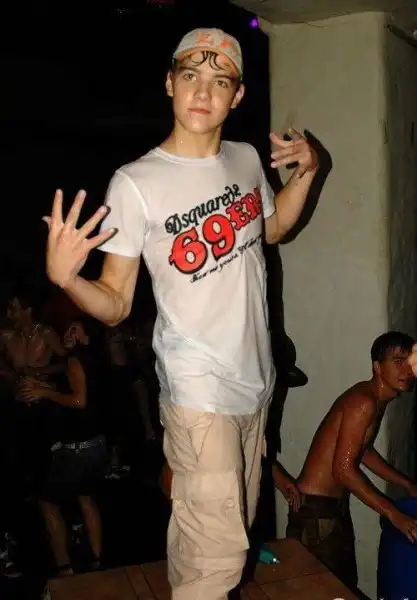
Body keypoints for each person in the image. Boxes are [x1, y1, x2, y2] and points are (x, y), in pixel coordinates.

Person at [42, 28, 319, 599]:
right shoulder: (136, 183)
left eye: (220, 81)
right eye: (190, 75)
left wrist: (308, 173)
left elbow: (272, 228)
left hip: (255, 382)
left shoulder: (245, 159)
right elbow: (116, 304)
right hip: (199, 388)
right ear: (170, 83)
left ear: (237, 96)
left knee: (224, 537)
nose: (203, 92)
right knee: (215, 560)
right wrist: (68, 279)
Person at [280, 331, 417, 591]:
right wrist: (394, 514)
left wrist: (406, 485)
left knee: (341, 587)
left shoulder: (376, 399)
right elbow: (342, 469)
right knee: (323, 592)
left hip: (330, 508)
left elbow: (361, 451)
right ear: (377, 366)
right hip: (315, 512)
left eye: (409, 362)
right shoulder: (364, 402)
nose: (406, 370)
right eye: (397, 361)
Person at [21, 320, 106, 577]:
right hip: (96, 444)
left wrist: (44, 394)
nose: (67, 333)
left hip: (77, 448)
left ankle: (64, 568)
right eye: (67, 328)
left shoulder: (75, 360)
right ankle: (98, 562)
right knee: (86, 498)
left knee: (48, 503)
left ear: (87, 335)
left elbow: (79, 401)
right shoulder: (96, 358)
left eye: (74, 329)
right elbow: (84, 392)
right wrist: (47, 387)